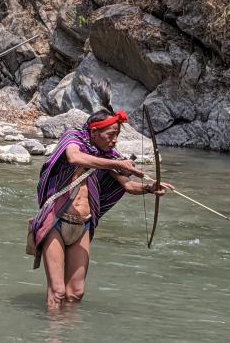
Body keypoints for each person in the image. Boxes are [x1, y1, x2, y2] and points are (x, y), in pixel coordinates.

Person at [30, 82, 174, 309]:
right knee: (57, 292)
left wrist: (149, 188)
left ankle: (70, 333)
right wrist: (115, 163)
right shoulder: (73, 138)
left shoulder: (107, 154)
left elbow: (128, 186)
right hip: (56, 221)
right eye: (111, 135)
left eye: (117, 135)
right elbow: (74, 158)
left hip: (83, 226)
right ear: (94, 132)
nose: (115, 140)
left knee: (76, 293)